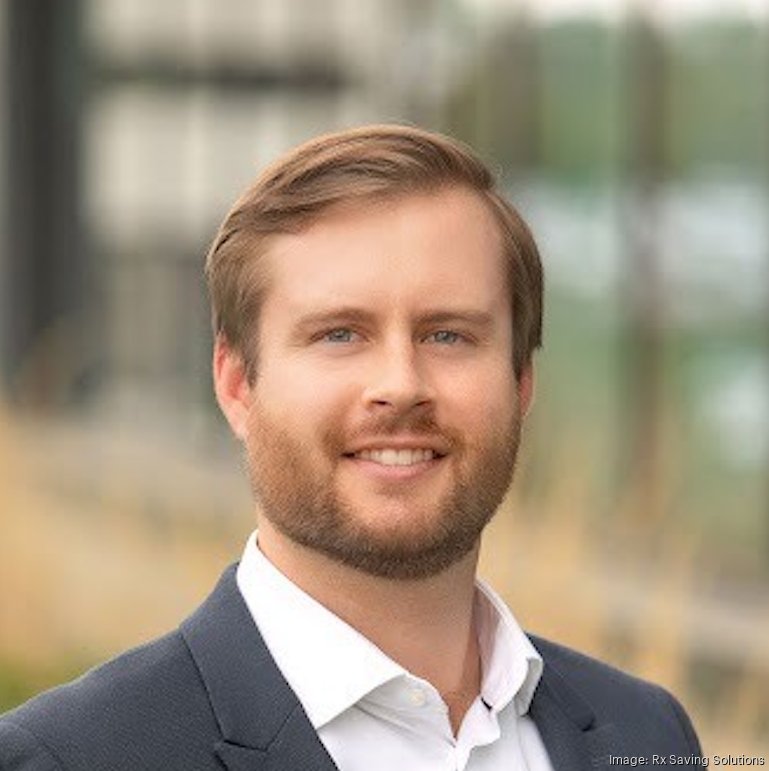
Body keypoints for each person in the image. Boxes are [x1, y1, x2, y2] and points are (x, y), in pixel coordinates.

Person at [0, 125, 701, 770]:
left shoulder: (648, 735)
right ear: (237, 384)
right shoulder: (70, 758)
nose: (400, 386)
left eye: (448, 334)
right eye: (339, 334)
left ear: (521, 382)